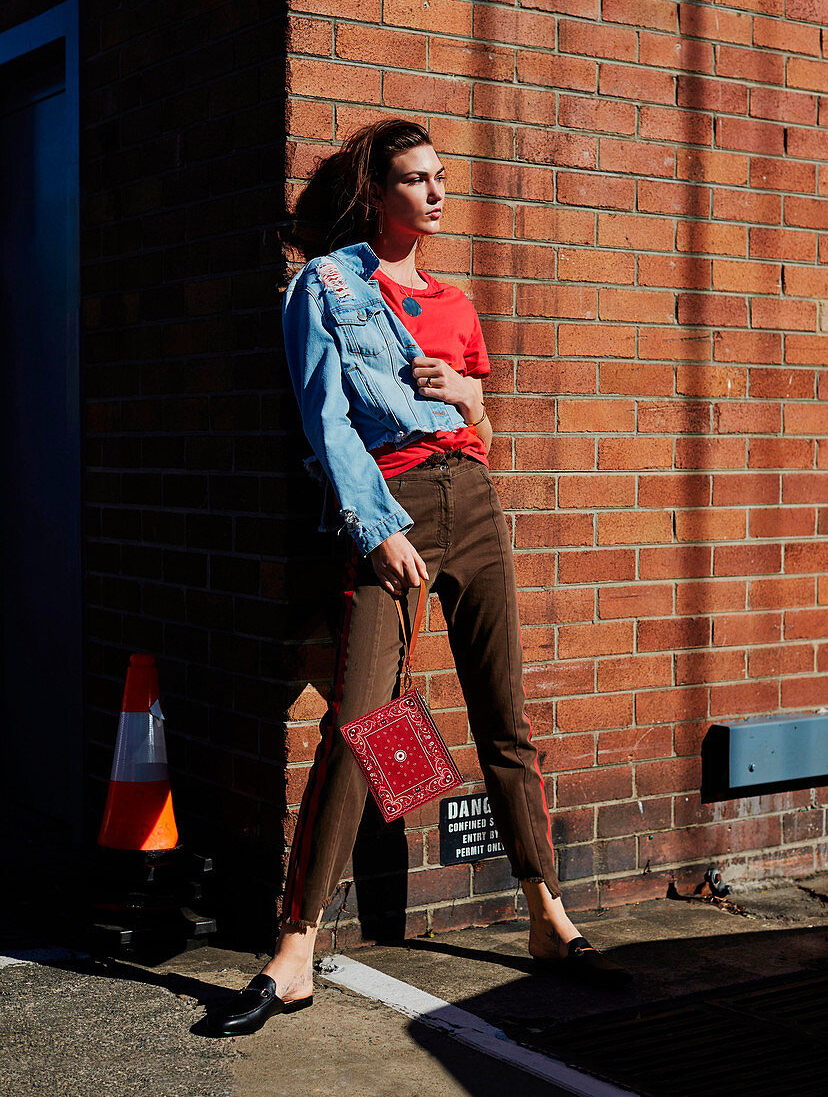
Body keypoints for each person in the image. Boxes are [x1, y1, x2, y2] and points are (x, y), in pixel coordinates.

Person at [208, 119, 631, 1037]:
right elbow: (326, 427)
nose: (437, 193)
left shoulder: (455, 300)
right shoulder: (324, 287)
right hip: (388, 508)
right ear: (377, 194)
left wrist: (467, 394)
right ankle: (295, 950)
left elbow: (481, 424)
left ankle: (548, 920)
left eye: (441, 177)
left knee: (504, 717)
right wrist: (376, 530)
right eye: (416, 179)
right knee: (361, 724)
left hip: (471, 503)